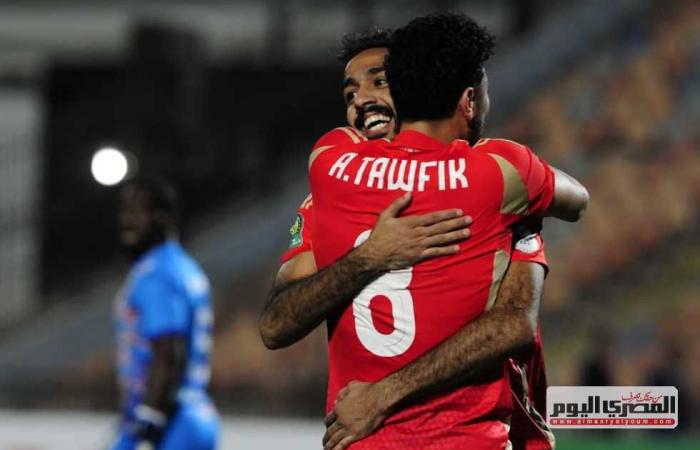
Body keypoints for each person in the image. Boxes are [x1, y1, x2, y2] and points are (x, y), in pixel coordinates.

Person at [263, 29, 558, 450]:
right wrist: (369, 257)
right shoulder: (326, 201)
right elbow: (275, 325)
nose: (361, 101)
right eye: (349, 95)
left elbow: (514, 324)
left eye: (379, 82)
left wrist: (384, 393)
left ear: (417, 87)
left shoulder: (493, 188)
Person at [111, 177, 220, 450]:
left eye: (136, 212)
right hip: (193, 413)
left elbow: (168, 350)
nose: (127, 220)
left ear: (161, 218)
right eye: (125, 211)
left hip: (169, 421)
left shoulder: (156, 273)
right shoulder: (183, 266)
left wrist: (149, 423)